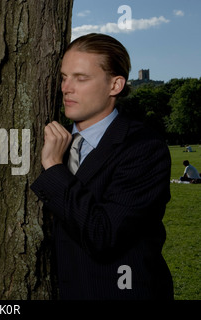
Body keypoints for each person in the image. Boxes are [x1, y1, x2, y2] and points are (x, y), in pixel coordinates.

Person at [31, 33, 173, 300]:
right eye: (64, 77)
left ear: (115, 85)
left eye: (81, 78)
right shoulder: (54, 138)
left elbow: (103, 235)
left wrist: (53, 167)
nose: (66, 88)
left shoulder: (144, 148)